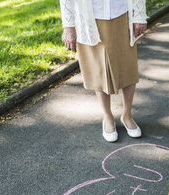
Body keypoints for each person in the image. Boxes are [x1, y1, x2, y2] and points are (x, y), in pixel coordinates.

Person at [59, 0, 147, 142]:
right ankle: (108, 117)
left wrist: (140, 15)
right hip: (91, 17)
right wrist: (69, 26)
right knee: (99, 69)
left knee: (127, 66)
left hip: (123, 13)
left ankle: (127, 115)